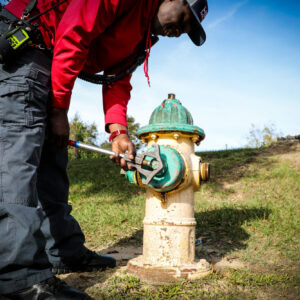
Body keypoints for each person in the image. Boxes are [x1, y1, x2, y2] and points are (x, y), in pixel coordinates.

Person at [0, 0, 208, 299]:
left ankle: (63, 251)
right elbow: (74, 32)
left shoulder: (142, 39)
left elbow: (118, 80)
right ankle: (17, 278)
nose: (181, 30)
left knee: (51, 162)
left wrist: (119, 132)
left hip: (46, 61)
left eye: (189, 30)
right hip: (24, 45)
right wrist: (59, 109)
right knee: (18, 163)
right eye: (186, 18)